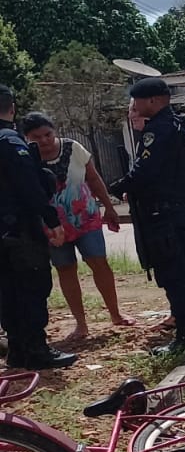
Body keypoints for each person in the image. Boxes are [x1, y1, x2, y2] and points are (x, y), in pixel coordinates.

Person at [116, 77, 185, 355]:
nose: (135, 108)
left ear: (153, 101)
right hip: (182, 214)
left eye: (137, 102)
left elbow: (144, 173)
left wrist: (117, 188)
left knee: (176, 278)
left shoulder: (158, 130)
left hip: (161, 217)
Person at [18, 113, 133, 340]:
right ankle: (81, 324)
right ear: (26, 137)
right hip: (51, 225)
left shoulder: (74, 148)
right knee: (65, 268)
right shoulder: (24, 157)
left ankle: (116, 314)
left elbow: (94, 179)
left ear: (55, 130)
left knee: (99, 262)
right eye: (36, 137)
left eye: (47, 134)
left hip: (85, 218)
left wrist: (109, 208)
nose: (43, 140)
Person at [0, 85, 74, 369]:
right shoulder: (10, 142)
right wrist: (52, 220)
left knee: (8, 292)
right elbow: (29, 188)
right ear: (13, 108)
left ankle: (17, 350)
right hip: (20, 232)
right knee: (31, 288)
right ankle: (36, 350)